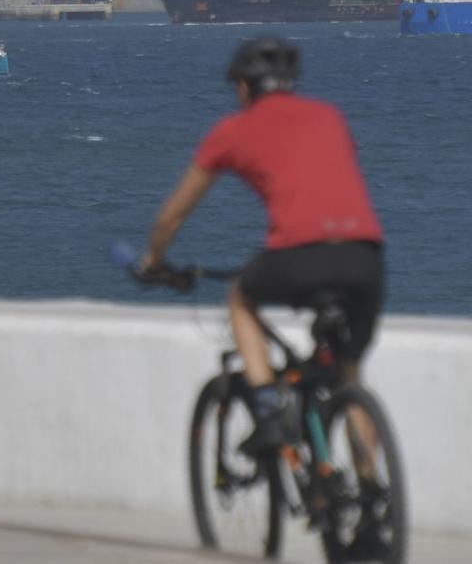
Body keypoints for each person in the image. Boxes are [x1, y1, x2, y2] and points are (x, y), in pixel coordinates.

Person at [135, 37, 386, 459]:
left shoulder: (232, 131)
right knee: (349, 379)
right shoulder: (329, 117)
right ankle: (372, 504)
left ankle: (268, 411)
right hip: (366, 257)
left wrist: (154, 261)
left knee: (240, 298)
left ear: (243, 87)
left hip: (298, 256)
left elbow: (172, 216)